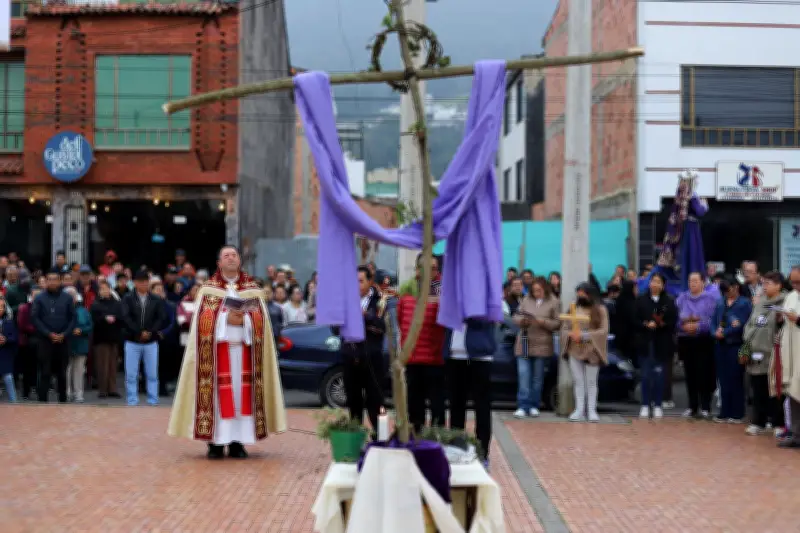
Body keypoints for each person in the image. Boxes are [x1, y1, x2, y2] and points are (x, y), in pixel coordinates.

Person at [168, 245, 287, 459]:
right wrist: (225, 319)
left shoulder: (253, 289)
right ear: (219, 263)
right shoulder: (208, 289)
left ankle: (237, 443)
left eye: (234, 255)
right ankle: (215, 444)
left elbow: (262, 324)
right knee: (216, 398)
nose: (231, 258)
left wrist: (245, 320)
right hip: (215, 355)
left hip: (244, 353)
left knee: (241, 397)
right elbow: (201, 323)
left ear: (239, 261)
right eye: (226, 256)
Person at [397, 253, 446, 433]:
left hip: (434, 359)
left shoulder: (442, 292)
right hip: (412, 358)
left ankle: (437, 437)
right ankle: (415, 437)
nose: (431, 272)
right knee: (414, 405)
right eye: (426, 268)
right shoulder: (406, 292)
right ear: (418, 270)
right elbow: (400, 321)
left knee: (437, 405)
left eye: (434, 268)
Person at [444, 317, 497, 467]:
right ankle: (456, 448)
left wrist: (466, 312)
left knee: (482, 406)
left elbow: (488, 319)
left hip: (481, 354)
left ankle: (482, 452)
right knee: (456, 405)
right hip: (455, 353)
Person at [340, 266, 385, 434]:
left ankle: (378, 436)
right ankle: (355, 435)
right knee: (353, 400)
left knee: (374, 400)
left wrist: (365, 316)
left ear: (370, 282)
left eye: (360, 281)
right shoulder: (346, 301)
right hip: (350, 355)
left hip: (371, 357)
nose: (357, 285)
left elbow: (382, 326)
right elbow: (335, 328)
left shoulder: (379, 299)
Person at [742, 271, 784, 436]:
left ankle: (778, 423)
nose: (764, 287)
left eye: (768, 283)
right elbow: (750, 324)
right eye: (764, 283)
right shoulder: (760, 303)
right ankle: (758, 422)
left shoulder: (785, 302)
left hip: (773, 354)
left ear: (778, 285)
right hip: (755, 353)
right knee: (758, 389)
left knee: (775, 390)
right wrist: (747, 338)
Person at [560, 282, 609, 422]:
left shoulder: (600, 309)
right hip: (574, 349)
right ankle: (579, 409)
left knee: (591, 382)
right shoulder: (573, 309)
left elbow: (604, 330)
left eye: (582, 293)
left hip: (592, 350)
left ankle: (592, 410)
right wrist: (570, 334)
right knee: (578, 381)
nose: (580, 295)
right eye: (578, 293)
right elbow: (564, 327)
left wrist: (585, 335)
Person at [512, 277, 560, 418]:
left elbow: (557, 323)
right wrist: (522, 321)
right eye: (534, 290)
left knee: (537, 378)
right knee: (524, 375)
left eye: (539, 290)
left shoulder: (554, 302)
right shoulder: (526, 299)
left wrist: (542, 322)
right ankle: (523, 405)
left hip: (542, 344)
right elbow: (515, 316)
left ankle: (534, 405)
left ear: (545, 289)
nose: (536, 293)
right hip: (525, 342)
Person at [634, 272, 677, 419]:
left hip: (662, 343)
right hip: (645, 342)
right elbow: (634, 320)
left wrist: (661, 324)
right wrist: (645, 324)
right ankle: (645, 404)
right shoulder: (641, 300)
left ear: (663, 285)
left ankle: (658, 404)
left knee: (659, 376)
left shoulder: (668, 301)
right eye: (653, 281)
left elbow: (673, 321)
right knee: (645, 375)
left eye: (658, 282)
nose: (655, 284)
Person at [121, 270, 166, 406]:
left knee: (152, 373)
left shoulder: (156, 299)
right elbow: (126, 317)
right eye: (141, 282)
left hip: (151, 342)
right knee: (131, 374)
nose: (144, 284)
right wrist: (140, 331)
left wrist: (150, 332)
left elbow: (161, 318)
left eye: (146, 282)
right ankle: (132, 400)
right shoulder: (128, 298)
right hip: (132, 341)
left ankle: (153, 399)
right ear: (135, 283)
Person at [676, 272, 718, 419]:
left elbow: (712, 319)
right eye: (690, 281)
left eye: (695, 281)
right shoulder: (682, 298)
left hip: (703, 341)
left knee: (704, 373)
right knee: (690, 374)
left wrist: (698, 326)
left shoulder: (710, 299)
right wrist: (684, 326)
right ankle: (692, 406)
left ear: (702, 282)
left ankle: (705, 406)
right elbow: (676, 318)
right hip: (686, 340)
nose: (692, 284)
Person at [711, 277, 751, 423]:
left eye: (728, 290)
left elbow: (742, 324)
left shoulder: (744, 303)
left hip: (737, 344)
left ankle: (737, 412)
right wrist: (714, 332)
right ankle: (724, 411)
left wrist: (726, 332)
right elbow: (713, 321)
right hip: (720, 345)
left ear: (736, 287)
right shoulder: (720, 302)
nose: (726, 293)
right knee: (723, 379)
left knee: (736, 378)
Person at [778, 266, 800, 448]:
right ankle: (795, 433)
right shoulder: (791, 296)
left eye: (798, 282)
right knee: (793, 392)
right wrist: (781, 317)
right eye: (792, 282)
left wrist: (798, 320)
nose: (795, 286)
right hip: (792, 351)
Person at [91, 280, 122, 399]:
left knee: (113, 365)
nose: (104, 291)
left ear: (110, 289)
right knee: (102, 365)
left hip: (114, 337)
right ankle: (103, 389)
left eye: (106, 288)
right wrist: (104, 318)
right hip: (101, 338)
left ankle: (112, 388)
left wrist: (115, 318)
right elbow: (94, 319)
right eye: (102, 289)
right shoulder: (96, 304)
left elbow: (122, 317)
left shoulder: (117, 303)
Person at [151, 280, 179, 397]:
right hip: (152, 338)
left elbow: (173, 322)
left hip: (166, 339)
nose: (159, 292)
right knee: (153, 364)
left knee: (165, 364)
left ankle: (163, 387)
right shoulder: (148, 305)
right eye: (157, 290)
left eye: (161, 290)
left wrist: (163, 332)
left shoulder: (170, 305)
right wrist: (155, 332)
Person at [65, 288, 92, 403]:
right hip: (66, 344)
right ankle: (66, 393)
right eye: (69, 295)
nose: (72, 298)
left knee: (79, 370)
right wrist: (70, 331)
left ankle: (78, 394)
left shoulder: (84, 311)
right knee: (67, 370)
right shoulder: (62, 310)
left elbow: (90, 326)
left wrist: (81, 330)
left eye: (73, 295)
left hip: (81, 344)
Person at [16, 287, 40, 400]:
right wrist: (38, 329)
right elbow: (22, 325)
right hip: (27, 341)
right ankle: (26, 391)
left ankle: (38, 389)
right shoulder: (24, 308)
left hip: (41, 341)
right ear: (31, 296)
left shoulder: (43, 308)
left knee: (39, 367)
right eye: (35, 295)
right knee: (27, 368)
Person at [0, 297, 19, 402]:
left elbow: (15, 337)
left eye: (2, 307)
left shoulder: (9, 322)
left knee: (8, 378)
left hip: (5, 355)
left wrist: (6, 340)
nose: (0, 309)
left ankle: (14, 402)